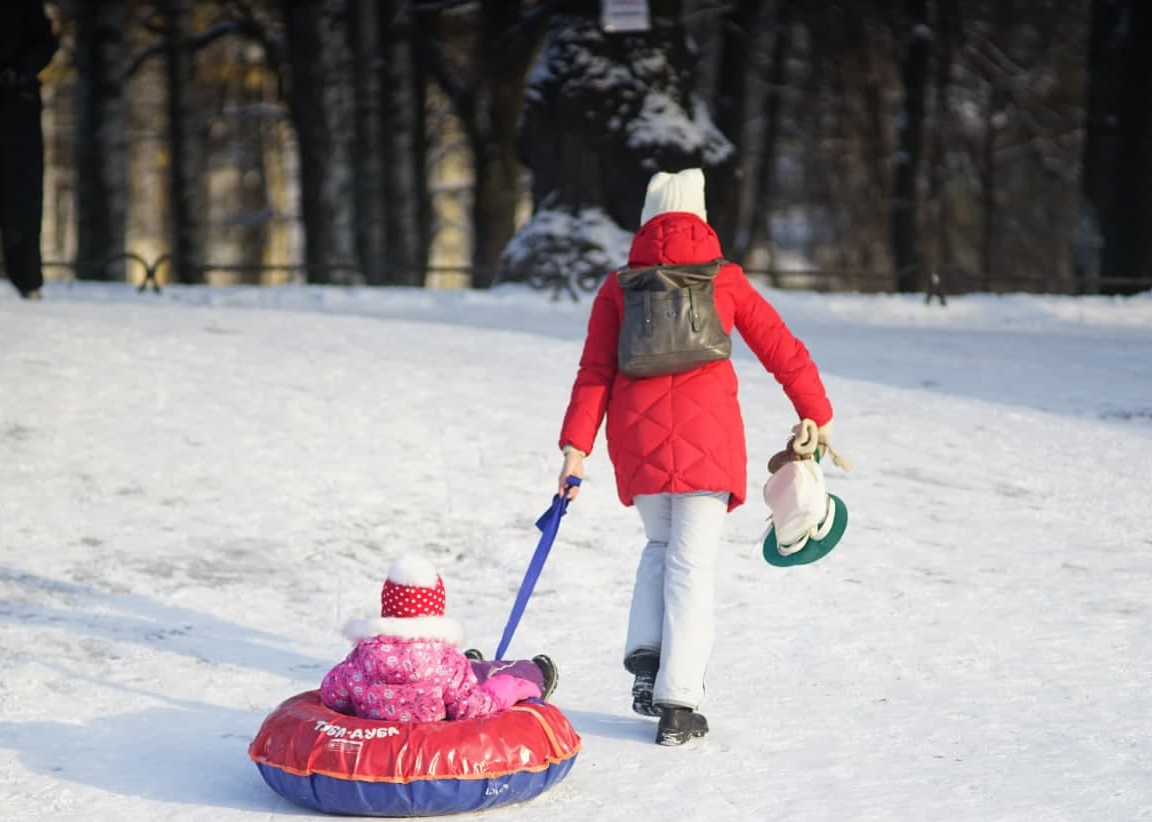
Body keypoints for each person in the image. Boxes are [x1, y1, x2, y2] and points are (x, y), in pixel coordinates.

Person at [556, 167, 837, 746]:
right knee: (691, 565)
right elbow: (783, 349)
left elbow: (594, 372)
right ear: (701, 217)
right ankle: (678, 702)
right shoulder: (724, 279)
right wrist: (817, 410)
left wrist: (575, 448)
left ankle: (646, 655)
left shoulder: (620, 286)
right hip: (709, 448)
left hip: (638, 446)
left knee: (660, 547)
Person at [320, 557, 558, 723]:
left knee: (467, 672)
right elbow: (469, 708)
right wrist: (507, 689)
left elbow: (332, 696)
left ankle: (474, 666)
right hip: (433, 743)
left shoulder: (360, 658)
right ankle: (537, 674)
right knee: (498, 677)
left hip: (376, 749)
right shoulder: (446, 662)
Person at [0, 1, 58, 301]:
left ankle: (27, 280)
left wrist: (21, 71)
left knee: (21, 195)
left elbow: (45, 42)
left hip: (17, 104)